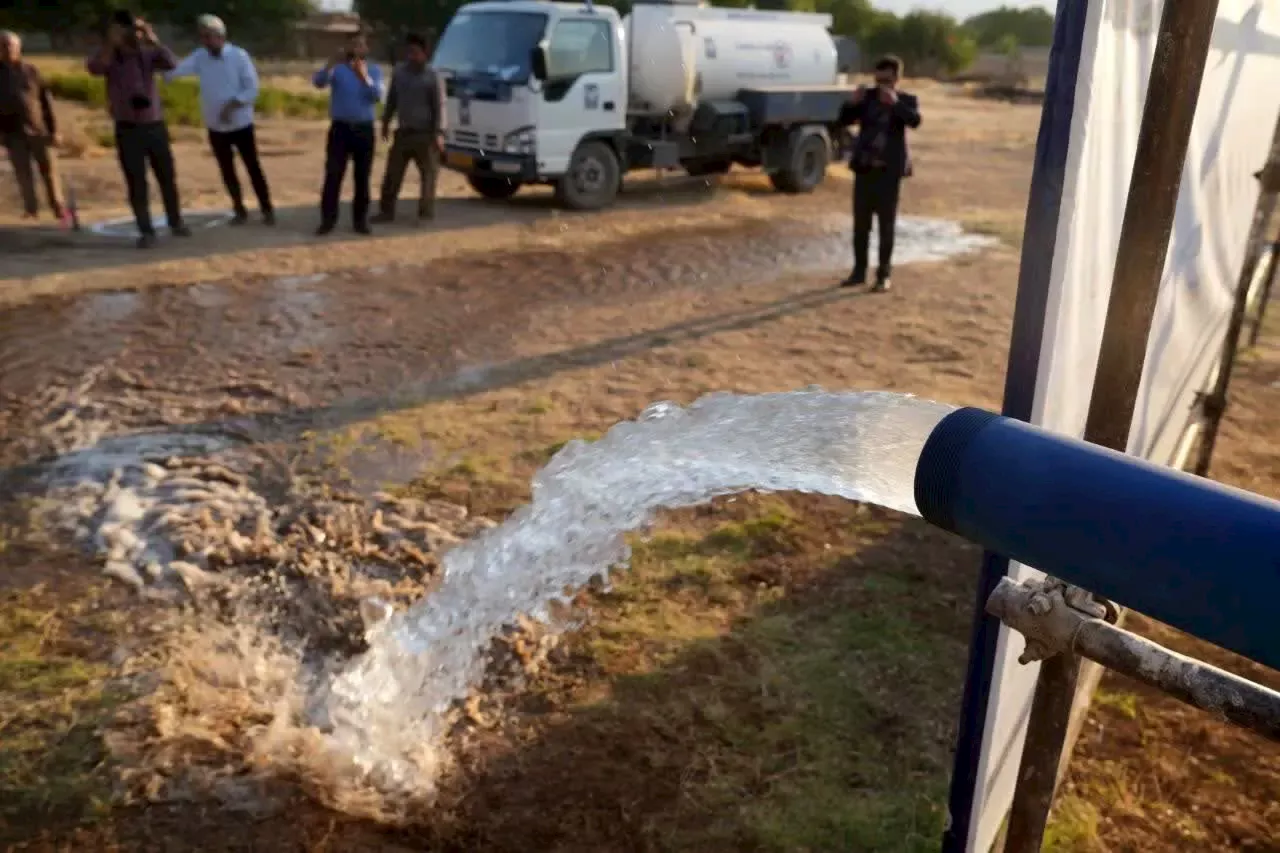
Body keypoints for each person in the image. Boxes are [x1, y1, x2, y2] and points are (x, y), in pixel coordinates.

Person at [87, 10, 188, 249]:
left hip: (154, 124)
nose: (131, 34)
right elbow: (95, 68)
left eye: (133, 29)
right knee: (136, 181)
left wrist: (153, 39)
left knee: (167, 177)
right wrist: (111, 44)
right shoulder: (110, 57)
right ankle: (146, 230)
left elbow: (172, 64)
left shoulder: (149, 53)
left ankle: (176, 221)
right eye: (126, 29)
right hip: (127, 126)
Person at [167, 14, 274, 225]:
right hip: (216, 126)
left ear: (221, 36)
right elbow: (175, 71)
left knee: (252, 166)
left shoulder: (239, 56)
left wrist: (232, 105)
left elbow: (251, 88)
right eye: (203, 37)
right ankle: (239, 209)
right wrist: (158, 62)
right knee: (227, 170)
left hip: (241, 124)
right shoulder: (200, 56)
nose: (206, 41)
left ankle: (267, 209)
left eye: (209, 36)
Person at [840, 55, 921, 293]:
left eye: (886, 79)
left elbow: (915, 121)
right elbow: (844, 120)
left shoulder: (906, 100)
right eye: (878, 78)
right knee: (860, 225)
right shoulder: (867, 99)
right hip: (865, 170)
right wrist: (852, 103)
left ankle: (883, 275)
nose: (881, 83)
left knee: (886, 226)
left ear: (897, 78)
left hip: (889, 173)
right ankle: (858, 272)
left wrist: (895, 103)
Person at [312, 32, 385, 236]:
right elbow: (318, 83)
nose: (356, 48)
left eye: (360, 45)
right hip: (340, 129)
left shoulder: (374, 70)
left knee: (362, 177)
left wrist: (364, 78)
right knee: (333, 175)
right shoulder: (338, 69)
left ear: (366, 49)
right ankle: (327, 220)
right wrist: (329, 64)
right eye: (352, 44)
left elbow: (377, 96)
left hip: (364, 129)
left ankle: (360, 221)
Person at [372, 32, 447, 225]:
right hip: (404, 134)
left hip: (426, 136)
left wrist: (439, 133)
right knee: (392, 174)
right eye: (409, 52)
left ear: (425, 53)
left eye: (416, 52)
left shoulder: (433, 77)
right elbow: (391, 100)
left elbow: (440, 106)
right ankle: (386, 211)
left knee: (428, 176)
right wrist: (386, 122)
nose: (412, 56)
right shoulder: (399, 73)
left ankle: (425, 214)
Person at [1, 30, 66, 222]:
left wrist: (55, 131)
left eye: (10, 45)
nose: (6, 49)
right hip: (12, 132)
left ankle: (58, 208)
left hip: (39, 130)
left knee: (50, 172)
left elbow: (46, 103)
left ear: (18, 48)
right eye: (2, 45)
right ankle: (31, 210)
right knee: (23, 173)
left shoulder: (31, 71)